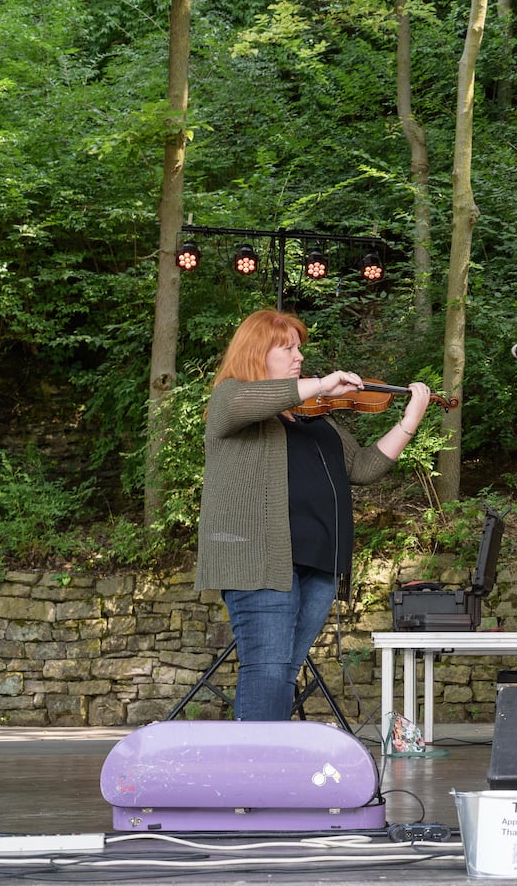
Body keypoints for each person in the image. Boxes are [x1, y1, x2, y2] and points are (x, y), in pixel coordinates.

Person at [195, 308, 433, 722]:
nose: (298, 356)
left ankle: (269, 768)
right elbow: (246, 401)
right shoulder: (231, 398)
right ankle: (257, 771)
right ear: (256, 353)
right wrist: (322, 383)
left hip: (319, 560)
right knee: (267, 667)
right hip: (262, 558)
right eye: (287, 348)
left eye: (299, 348)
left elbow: (361, 467)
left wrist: (410, 419)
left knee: (285, 671)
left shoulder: (312, 416)